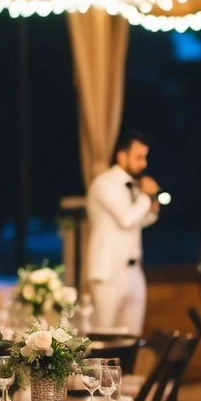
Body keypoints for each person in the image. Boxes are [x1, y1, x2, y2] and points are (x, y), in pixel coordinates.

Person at [85, 130, 160, 336]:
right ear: (121, 156)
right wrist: (146, 196)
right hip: (107, 272)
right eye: (139, 157)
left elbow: (140, 220)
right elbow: (126, 219)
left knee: (132, 337)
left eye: (145, 157)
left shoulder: (134, 186)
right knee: (105, 337)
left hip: (134, 273)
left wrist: (152, 205)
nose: (144, 164)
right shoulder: (103, 183)